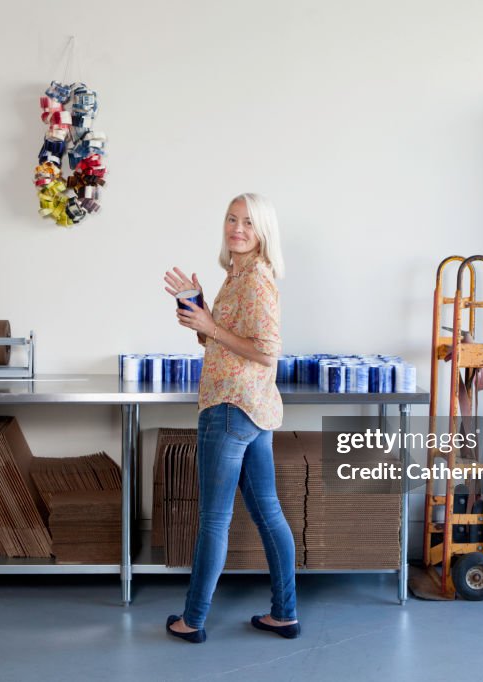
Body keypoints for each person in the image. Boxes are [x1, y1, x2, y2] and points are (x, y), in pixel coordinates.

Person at [162, 193, 300, 643]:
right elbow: (223, 343)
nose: (236, 228)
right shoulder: (236, 276)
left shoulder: (255, 281)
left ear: (263, 233)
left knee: (214, 521)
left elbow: (266, 350)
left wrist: (211, 326)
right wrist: (202, 315)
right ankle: (285, 614)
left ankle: (193, 620)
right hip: (253, 410)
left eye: (248, 222)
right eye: (231, 219)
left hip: (229, 409)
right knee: (269, 515)